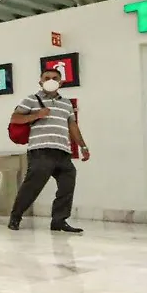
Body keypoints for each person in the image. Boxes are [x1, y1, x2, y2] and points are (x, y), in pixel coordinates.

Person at [8, 68, 90, 233]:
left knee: (67, 184)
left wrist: (83, 146)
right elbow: (15, 118)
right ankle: (15, 217)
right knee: (33, 186)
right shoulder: (31, 100)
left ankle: (59, 221)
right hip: (40, 151)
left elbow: (72, 126)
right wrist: (37, 114)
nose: (50, 80)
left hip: (63, 151)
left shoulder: (66, 103)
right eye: (47, 78)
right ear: (40, 81)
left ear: (60, 82)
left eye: (54, 78)